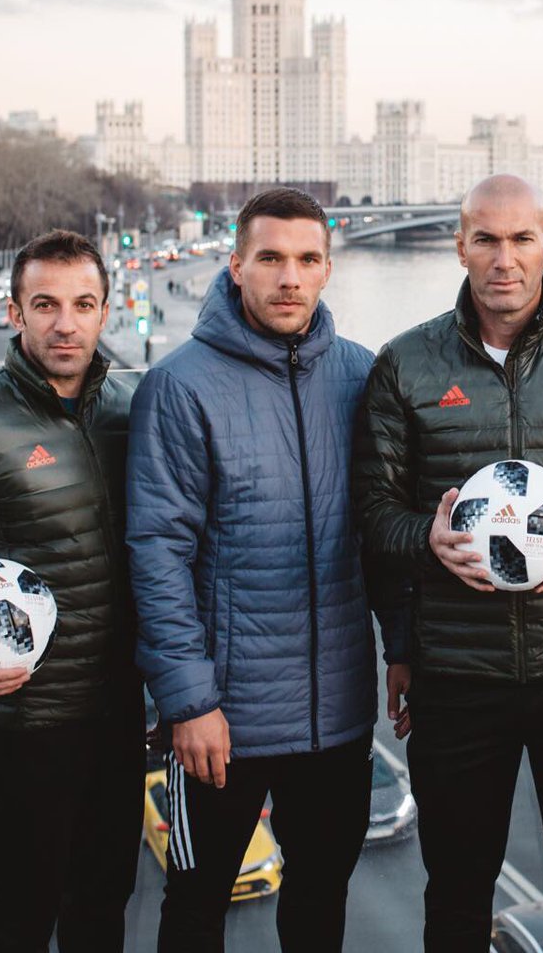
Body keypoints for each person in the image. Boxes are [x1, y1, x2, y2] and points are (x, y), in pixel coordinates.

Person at [353, 174, 543, 952]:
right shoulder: (405, 364)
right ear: (459, 245)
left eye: (522, 238)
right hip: (459, 680)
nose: (504, 258)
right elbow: (372, 515)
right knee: (455, 897)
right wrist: (428, 537)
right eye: (486, 239)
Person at [127, 188, 402, 952]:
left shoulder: (359, 374)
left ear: (327, 269)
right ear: (236, 265)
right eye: (271, 259)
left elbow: (381, 535)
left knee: (319, 905)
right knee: (195, 910)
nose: (290, 277)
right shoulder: (180, 386)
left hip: (339, 720)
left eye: (307, 260)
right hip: (225, 723)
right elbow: (157, 554)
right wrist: (188, 703)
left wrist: (403, 648)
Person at [0, 229, 142, 953]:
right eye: (45, 304)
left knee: (104, 909)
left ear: (108, 310)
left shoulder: (127, 413)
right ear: (15, 313)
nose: (65, 323)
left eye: (82, 304)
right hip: (25, 730)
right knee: (17, 922)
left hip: (118, 718)